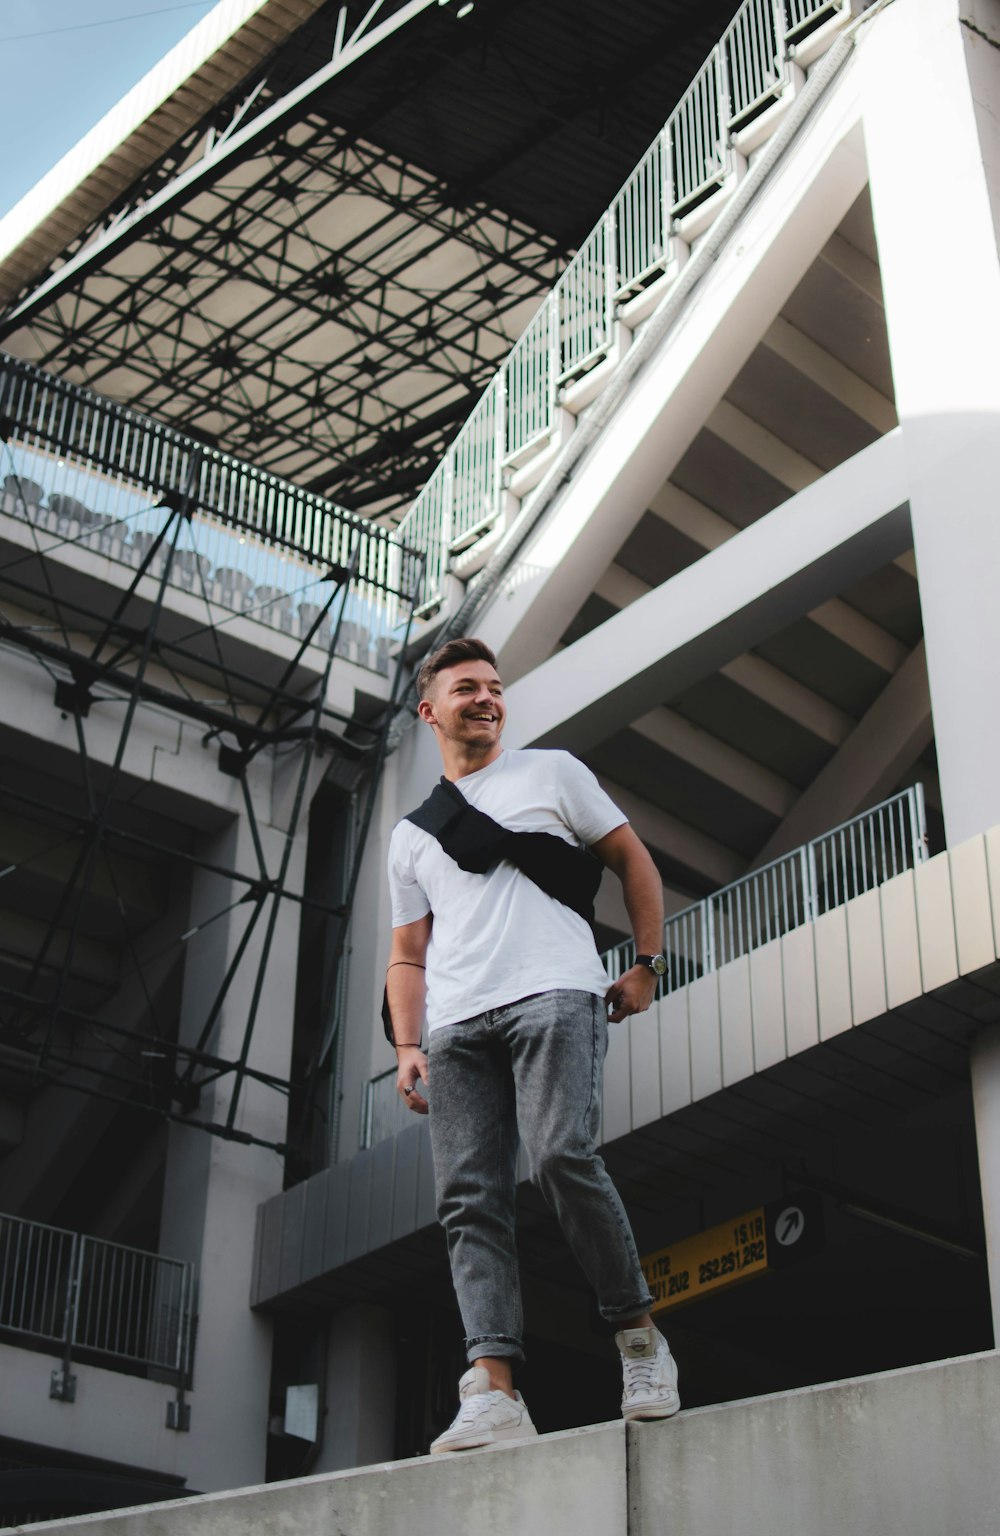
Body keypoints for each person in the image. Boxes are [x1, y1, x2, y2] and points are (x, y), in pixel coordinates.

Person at [385, 636, 680, 1453]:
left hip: (556, 989)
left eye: (495, 687)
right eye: (467, 688)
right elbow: (407, 952)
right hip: (456, 1024)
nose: (486, 698)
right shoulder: (412, 836)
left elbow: (632, 860)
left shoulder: (552, 772)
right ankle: (494, 1389)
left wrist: (647, 962)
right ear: (429, 709)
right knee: (469, 1200)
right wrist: (409, 1044)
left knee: (560, 1156)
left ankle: (639, 1341)